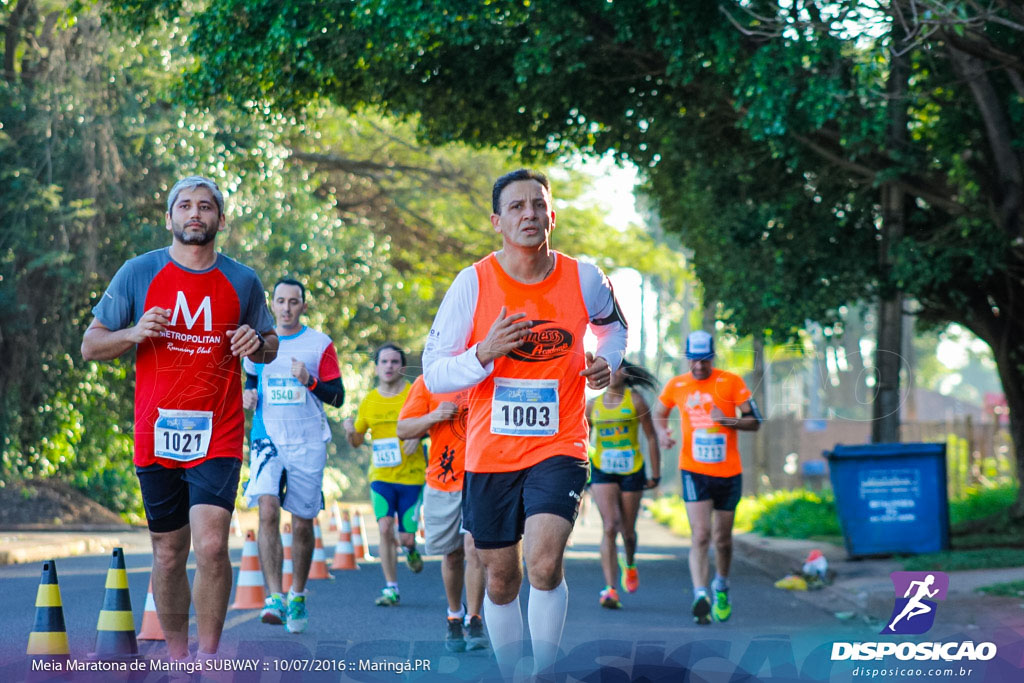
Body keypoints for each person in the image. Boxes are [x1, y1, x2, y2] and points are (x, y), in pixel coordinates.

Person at [422, 169, 627, 679]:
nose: (529, 214)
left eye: (538, 205)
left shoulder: (583, 277)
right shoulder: (473, 283)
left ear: (552, 216)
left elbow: (614, 328)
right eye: (516, 207)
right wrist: (484, 353)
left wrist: (608, 363)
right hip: (490, 452)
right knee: (500, 579)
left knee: (542, 563)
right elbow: (434, 370)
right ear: (498, 221)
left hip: (560, 445)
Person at [81, 175, 278, 662]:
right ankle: (177, 658)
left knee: (212, 546)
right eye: (185, 206)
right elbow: (90, 345)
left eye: (206, 207)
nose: (195, 214)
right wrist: (132, 333)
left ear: (220, 219)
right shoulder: (138, 272)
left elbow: (270, 344)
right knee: (168, 552)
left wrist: (259, 344)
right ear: (169, 218)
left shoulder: (243, 280)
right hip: (156, 430)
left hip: (219, 429)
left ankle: (208, 658)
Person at [241, 278, 345, 634]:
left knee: (302, 522)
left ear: (303, 305)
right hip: (267, 436)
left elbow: (338, 397)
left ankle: (297, 594)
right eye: (281, 301)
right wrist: (248, 396)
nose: (286, 308)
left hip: (307, 442)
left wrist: (310, 381)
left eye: (294, 302)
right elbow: (251, 381)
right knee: (267, 508)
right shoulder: (257, 343)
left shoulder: (320, 345)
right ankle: (274, 597)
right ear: (272, 304)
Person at [653, 330, 762, 625]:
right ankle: (700, 594)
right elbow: (659, 412)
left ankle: (721, 587)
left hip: (728, 472)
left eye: (704, 361)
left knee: (722, 539)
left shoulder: (732, 382)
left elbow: (755, 422)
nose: (699, 367)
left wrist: (726, 420)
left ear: (712, 358)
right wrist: (663, 433)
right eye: (694, 361)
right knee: (700, 535)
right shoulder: (677, 384)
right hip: (694, 470)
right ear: (687, 359)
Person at [396, 375, 489, 653]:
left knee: (474, 550)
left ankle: (475, 619)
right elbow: (403, 428)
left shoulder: (486, 375)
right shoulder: (430, 381)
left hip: (482, 478)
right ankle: (454, 615)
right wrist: (435, 416)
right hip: (443, 481)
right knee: (452, 555)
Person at [343, 343, 425, 606]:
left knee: (406, 537)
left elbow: (435, 423)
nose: (389, 366)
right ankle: (391, 587)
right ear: (377, 367)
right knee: (384, 526)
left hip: (412, 477)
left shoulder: (415, 394)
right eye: (384, 362)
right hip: (381, 477)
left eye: (394, 362)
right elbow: (356, 440)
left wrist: (420, 434)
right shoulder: (369, 401)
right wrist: (349, 431)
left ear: (402, 366)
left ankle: (411, 549)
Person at [586, 360, 662, 610]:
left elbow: (651, 437)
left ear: (625, 373)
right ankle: (610, 589)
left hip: (632, 471)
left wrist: (656, 473)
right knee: (610, 526)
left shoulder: (636, 400)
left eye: (617, 368)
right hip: (603, 470)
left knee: (628, 532)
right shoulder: (592, 406)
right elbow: (582, 441)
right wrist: (581, 472)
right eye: (607, 369)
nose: (612, 373)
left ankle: (629, 563)